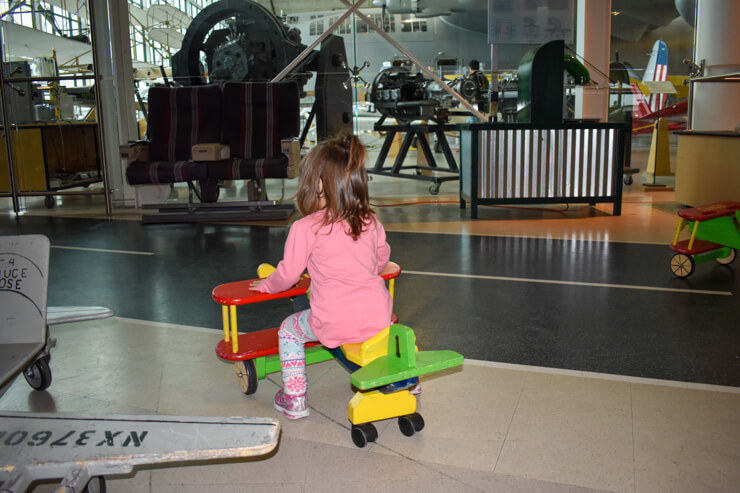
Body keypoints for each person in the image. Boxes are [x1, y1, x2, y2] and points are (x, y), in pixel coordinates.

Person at [253, 134, 392, 420]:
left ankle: (295, 398)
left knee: (289, 330)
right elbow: (380, 261)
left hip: (334, 319)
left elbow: (288, 275)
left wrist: (267, 285)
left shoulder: (305, 229)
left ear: (317, 184)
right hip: (378, 315)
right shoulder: (370, 220)